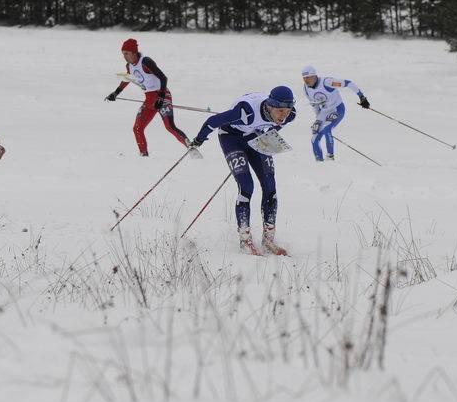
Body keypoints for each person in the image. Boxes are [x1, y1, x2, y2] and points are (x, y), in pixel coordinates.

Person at [190, 86, 296, 255]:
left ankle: (269, 239)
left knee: (270, 187)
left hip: (255, 136)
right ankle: (245, 239)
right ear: (270, 105)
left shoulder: (290, 115)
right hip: (231, 138)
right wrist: (198, 140)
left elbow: (278, 125)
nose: (284, 115)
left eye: (288, 110)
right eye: (280, 110)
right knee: (247, 186)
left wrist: (267, 133)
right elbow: (212, 121)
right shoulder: (246, 113)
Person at [105, 38, 190, 156]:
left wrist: (160, 97)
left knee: (170, 127)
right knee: (137, 128)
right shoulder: (129, 66)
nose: (124, 56)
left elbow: (163, 78)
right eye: (123, 53)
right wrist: (115, 93)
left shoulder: (145, 62)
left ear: (134, 52)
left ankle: (191, 147)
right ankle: (143, 156)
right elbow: (128, 79)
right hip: (149, 100)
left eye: (126, 53)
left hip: (163, 95)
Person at [301, 65, 370, 161]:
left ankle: (330, 158)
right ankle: (319, 163)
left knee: (326, 128)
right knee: (314, 138)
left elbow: (348, 83)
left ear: (314, 76)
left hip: (337, 109)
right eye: (304, 78)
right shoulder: (306, 89)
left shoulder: (327, 83)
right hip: (324, 112)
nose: (306, 81)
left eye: (308, 78)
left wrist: (362, 97)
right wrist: (318, 120)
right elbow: (315, 105)